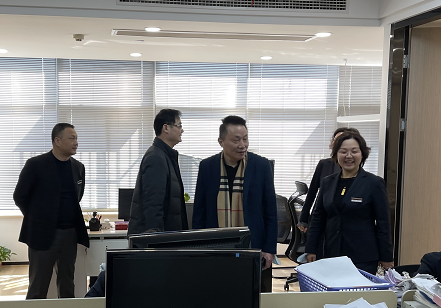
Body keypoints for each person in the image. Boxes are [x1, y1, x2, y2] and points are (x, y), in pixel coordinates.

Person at [192, 115, 277, 292]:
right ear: (221, 141)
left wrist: (269, 249)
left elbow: (270, 211)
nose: (242, 145)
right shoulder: (207, 167)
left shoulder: (261, 166)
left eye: (245, 139)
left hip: (253, 245)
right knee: (217, 292)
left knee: (251, 294)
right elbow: (199, 211)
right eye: (236, 140)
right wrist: (198, 248)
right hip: (215, 246)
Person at [14, 123, 89, 299]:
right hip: (42, 234)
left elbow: (77, 197)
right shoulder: (35, 165)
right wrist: (37, 219)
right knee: (38, 286)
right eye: (72, 138)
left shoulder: (78, 167)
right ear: (57, 141)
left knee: (67, 284)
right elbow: (20, 196)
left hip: (69, 234)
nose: (76, 142)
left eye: (76, 138)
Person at [305, 130, 393, 275]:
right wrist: (311, 248)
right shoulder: (327, 182)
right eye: (343, 151)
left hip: (362, 256)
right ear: (336, 155)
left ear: (362, 154)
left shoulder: (374, 183)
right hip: (331, 253)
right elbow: (317, 218)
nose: (349, 156)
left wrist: (386, 256)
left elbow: (383, 223)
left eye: (354, 151)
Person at [298, 127, 357, 258]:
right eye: (336, 140)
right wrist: (304, 219)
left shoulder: (354, 167)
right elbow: (312, 191)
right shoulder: (324, 164)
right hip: (321, 216)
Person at [128, 108, 189, 234]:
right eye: (179, 125)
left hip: (167, 236)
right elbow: (153, 204)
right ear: (166, 128)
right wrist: (156, 239)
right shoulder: (156, 157)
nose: (182, 130)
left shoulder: (165, 155)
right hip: (158, 238)